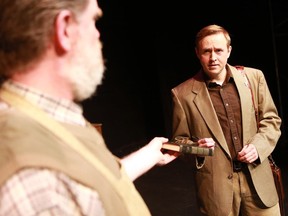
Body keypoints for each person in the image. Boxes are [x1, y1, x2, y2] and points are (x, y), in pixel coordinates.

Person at [0, 0, 177, 215]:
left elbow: (92, 184)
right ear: (65, 28)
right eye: (93, 20)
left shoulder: (46, 118)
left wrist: (151, 154)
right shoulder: (31, 172)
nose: (97, 36)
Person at [171, 24, 282, 216]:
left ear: (229, 51)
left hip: (258, 183)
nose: (213, 58)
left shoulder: (253, 77)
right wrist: (198, 148)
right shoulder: (182, 94)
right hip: (216, 191)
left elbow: (271, 120)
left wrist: (258, 147)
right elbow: (179, 143)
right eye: (207, 51)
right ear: (198, 53)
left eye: (219, 50)